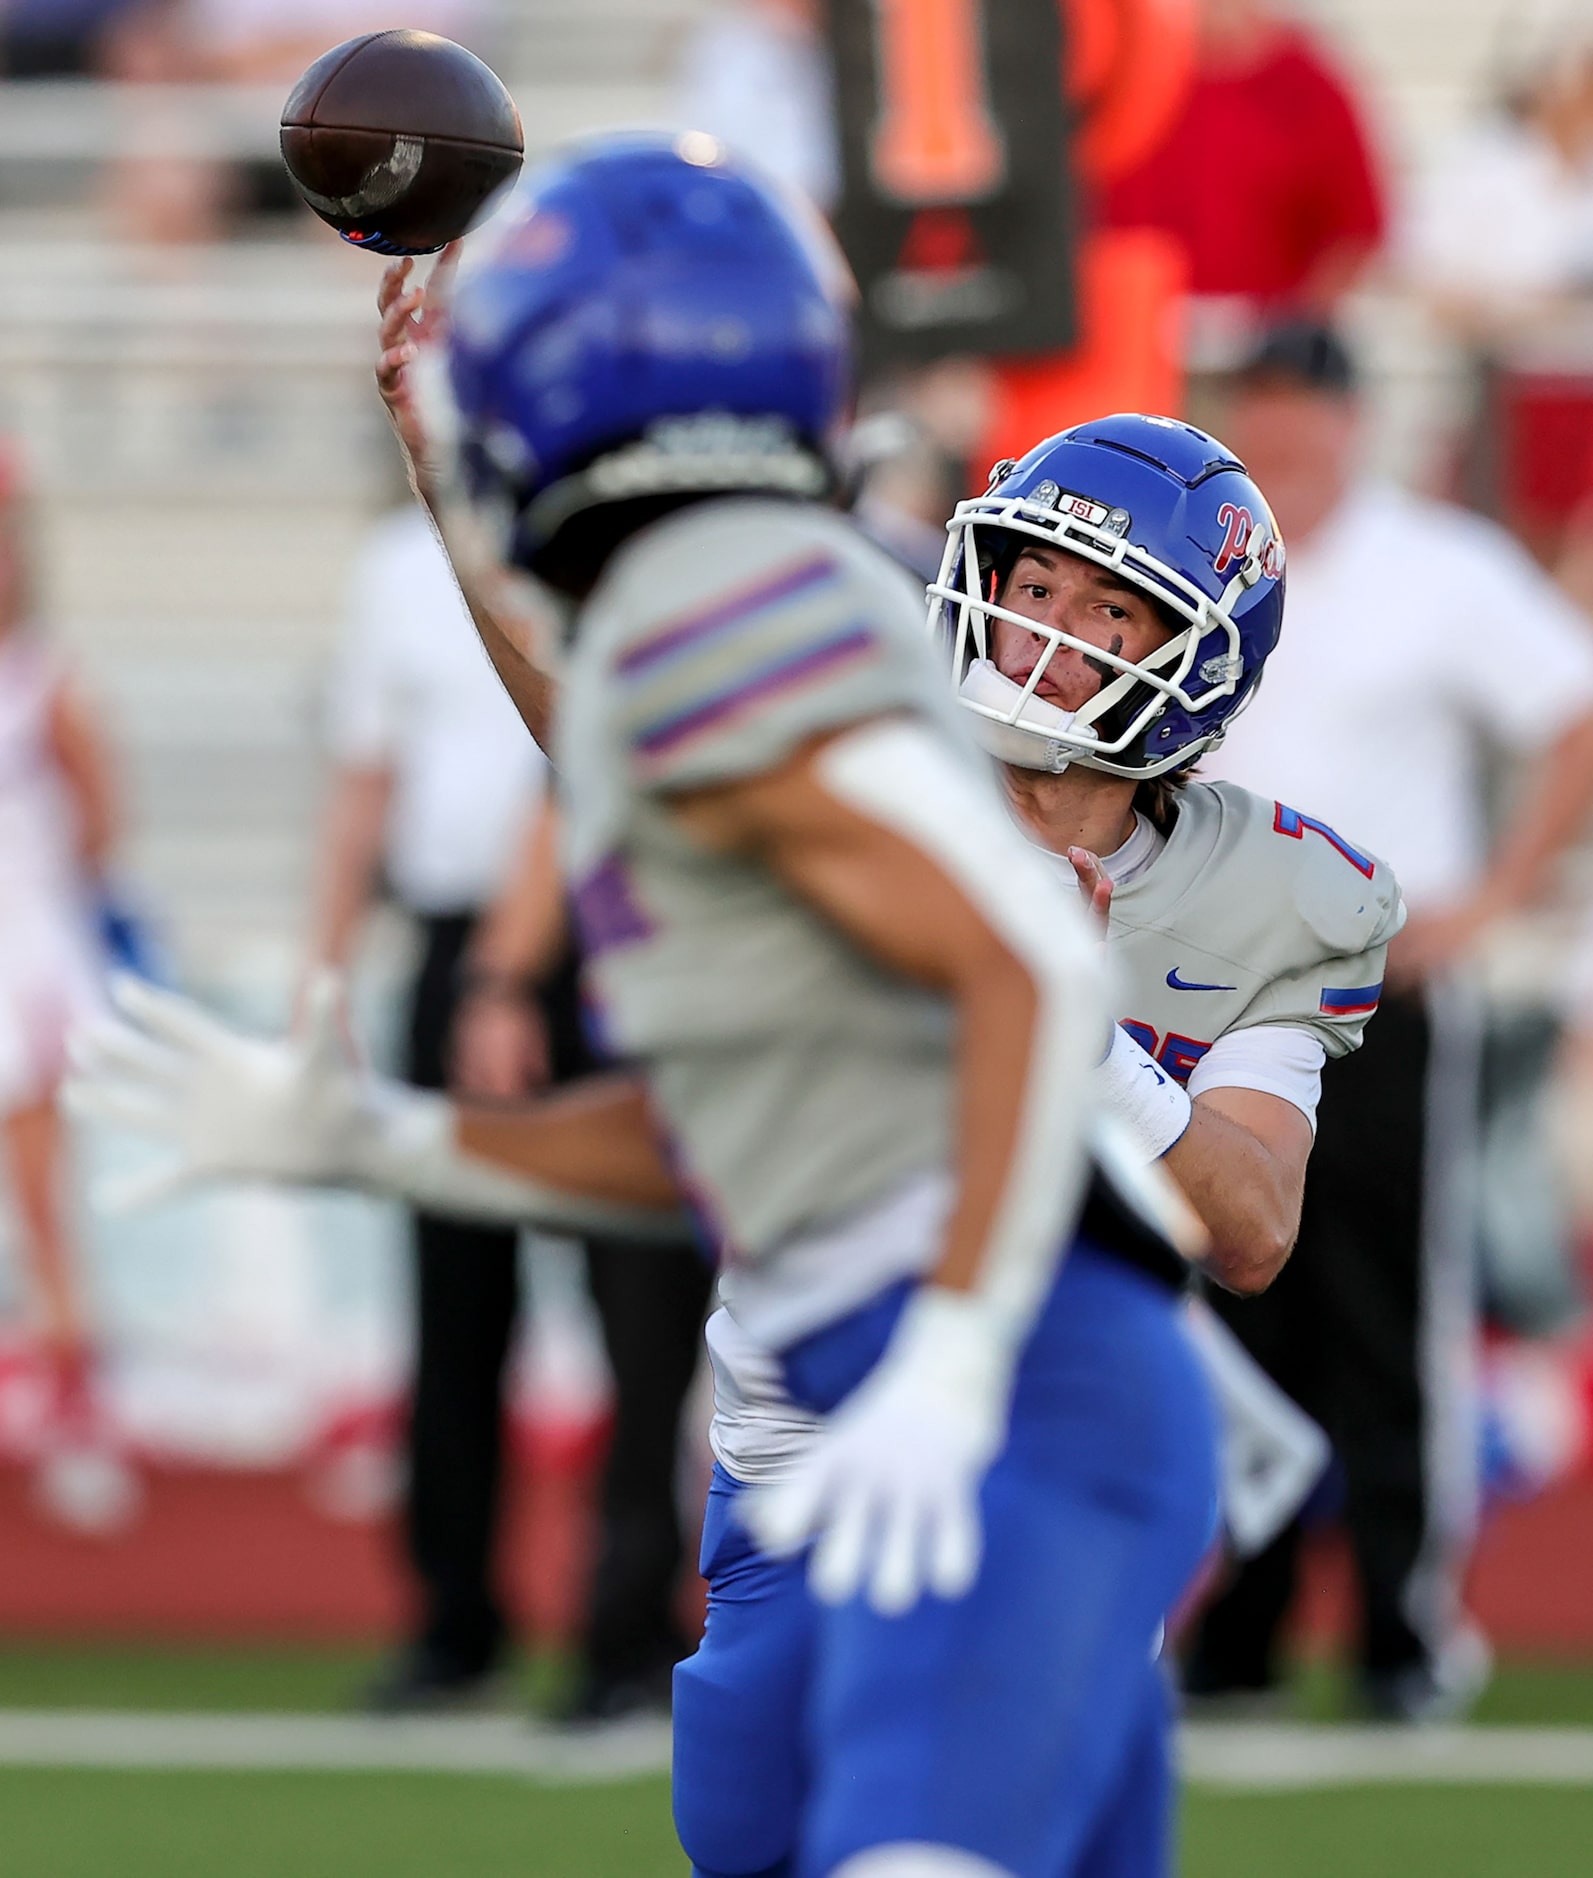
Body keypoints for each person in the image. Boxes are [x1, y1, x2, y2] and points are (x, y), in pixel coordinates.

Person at [72, 133, 1218, 1878]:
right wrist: (391, 1138)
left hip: (1002, 1391)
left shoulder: (732, 623)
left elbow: (1033, 959)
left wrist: (958, 1356)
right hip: (834, 1396)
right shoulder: (687, 645)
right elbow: (718, 1136)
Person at [669, 413, 1404, 1878]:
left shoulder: (1280, 895)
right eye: (1031, 582)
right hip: (793, 1435)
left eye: (1106, 607)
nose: (1041, 630)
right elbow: (585, 718)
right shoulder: (857, 777)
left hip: (1048, 1437)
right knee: (749, 1844)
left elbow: (1248, 1225)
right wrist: (447, 479)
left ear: (1192, 662)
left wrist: (1082, 1025)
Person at [1190, 320, 1593, 1721]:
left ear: (1354, 426)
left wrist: (1487, 900)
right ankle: (1233, 1629)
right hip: (1208, 994)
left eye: (1306, 428)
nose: (1289, 455)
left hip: (1377, 993)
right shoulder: (1200, 558)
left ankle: (1395, 1631)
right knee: (1233, 1313)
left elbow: (1571, 710)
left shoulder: (1437, 568)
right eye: (1266, 427)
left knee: (1382, 1310)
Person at [305, 497, 545, 1709]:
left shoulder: (613, 534)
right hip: (455, 942)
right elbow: (365, 777)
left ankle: (642, 1621)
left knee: (657, 1295)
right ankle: (455, 1618)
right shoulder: (396, 565)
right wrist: (326, 973)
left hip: (614, 935)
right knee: (452, 1297)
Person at [452, 803, 713, 1719]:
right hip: (652, 1084)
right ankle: (626, 1637)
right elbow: (559, 812)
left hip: (785, 1077)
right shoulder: (633, 716)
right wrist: (500, 986)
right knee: (645, 1371)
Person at [0, 449, 136, 1532]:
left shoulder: (46, 675)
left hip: (26, 955)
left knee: (43, 1198)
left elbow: (100, 823)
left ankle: (77, 1411)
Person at [1103, 0, 1386, 370]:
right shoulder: (1126, 72)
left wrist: (1296, 327)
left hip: (1256, 353)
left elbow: (1354, 228)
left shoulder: (1306, 84)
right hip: (1131, 345)